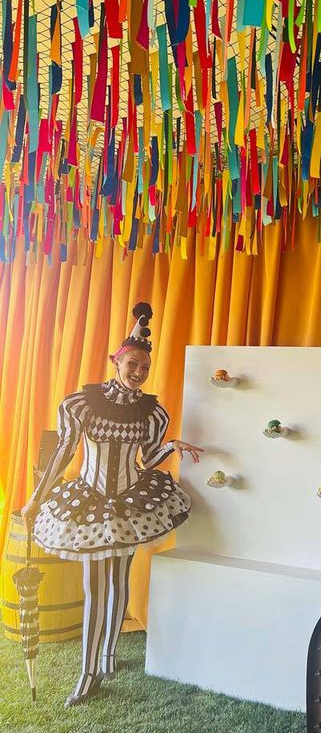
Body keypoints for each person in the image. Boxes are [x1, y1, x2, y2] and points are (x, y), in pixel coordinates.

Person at [21, 303, 203, 707]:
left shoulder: (152, 412)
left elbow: (149, 457)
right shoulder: (81, 404)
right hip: (89, 501)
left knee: (119, 578)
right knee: (94, 585)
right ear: (116, 361)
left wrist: (171, 446)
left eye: (144, 368)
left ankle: (106, 657)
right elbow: (64, 452)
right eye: (132, 364)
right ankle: (88, 673)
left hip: (130, 501)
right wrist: (36, 498)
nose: (138, 372)